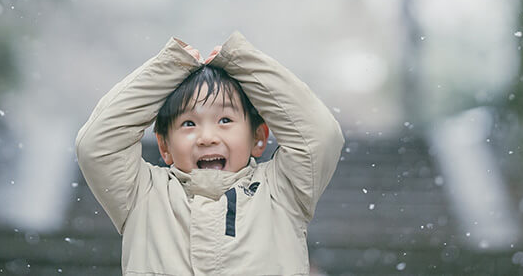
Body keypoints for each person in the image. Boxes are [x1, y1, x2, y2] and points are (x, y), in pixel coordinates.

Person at [75, 31, 344, 275]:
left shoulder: (281, 191)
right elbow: (97, 145)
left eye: (225, 120)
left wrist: (241, 62)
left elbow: (319, 137)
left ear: (259, 138)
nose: (207, 138)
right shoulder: (142, 194)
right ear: (165, 146)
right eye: (188, 124)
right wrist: (170, 67)